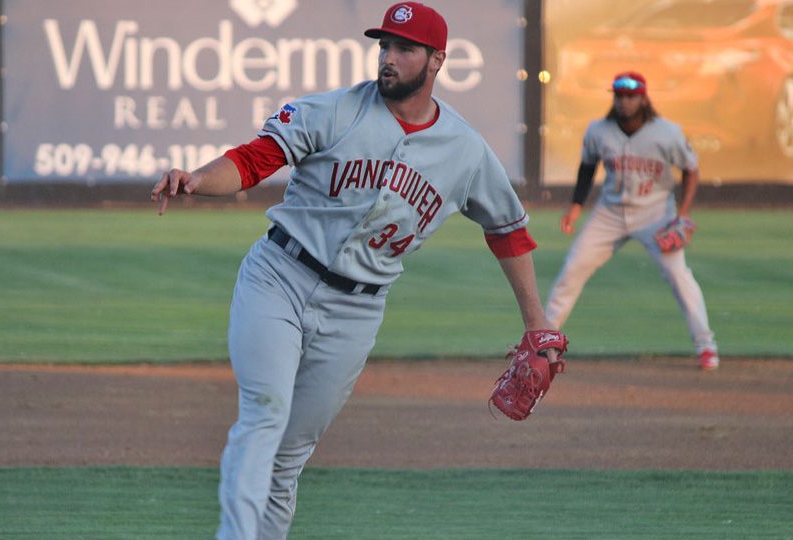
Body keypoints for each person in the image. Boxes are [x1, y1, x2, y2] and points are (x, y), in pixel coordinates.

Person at [153, 3, 566, 538]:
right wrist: (197, 179)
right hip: (280, 276)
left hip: (357, 309)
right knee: (265, 413)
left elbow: (508, 230)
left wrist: (537, 322)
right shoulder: (333, 110)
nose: (388, 58)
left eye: (404, 48)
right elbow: (254, 160)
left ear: (437, 59)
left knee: (289, 457)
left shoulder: (465, 151)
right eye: (384, 46)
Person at [544, 71, 719, 370]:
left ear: (643, 98)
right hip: (609, 214)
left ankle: (706, 345)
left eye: (631, 96)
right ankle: (543, 342)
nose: (624, 102)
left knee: (679, 276)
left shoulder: (667, 132)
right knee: (572, 270)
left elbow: (691, 169)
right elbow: (587, 167)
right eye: (619, 96)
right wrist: (575, 206)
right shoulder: (598, 130)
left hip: (655, 214)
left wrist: (684, 212)